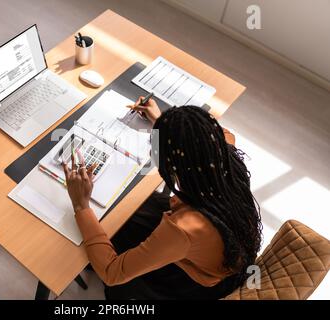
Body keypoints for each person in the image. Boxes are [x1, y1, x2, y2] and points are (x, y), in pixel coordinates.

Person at [62, 97, 262, 299]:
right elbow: (218, 134)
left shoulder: (184, 228)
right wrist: (163, 123)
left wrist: (81, 205)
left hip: (190, 285)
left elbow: (112, 272)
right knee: (122, 212)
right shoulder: (227, 154)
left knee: (105, 228)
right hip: (226, 250)